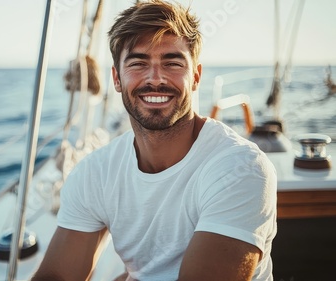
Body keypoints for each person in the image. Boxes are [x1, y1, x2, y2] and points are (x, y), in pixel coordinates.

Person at [32, 1, 277, 280]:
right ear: (116, 78)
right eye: (138, 63)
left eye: (172, 63)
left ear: (195, 76)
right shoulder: (95, 172)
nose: (155, 78)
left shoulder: (240, 168)